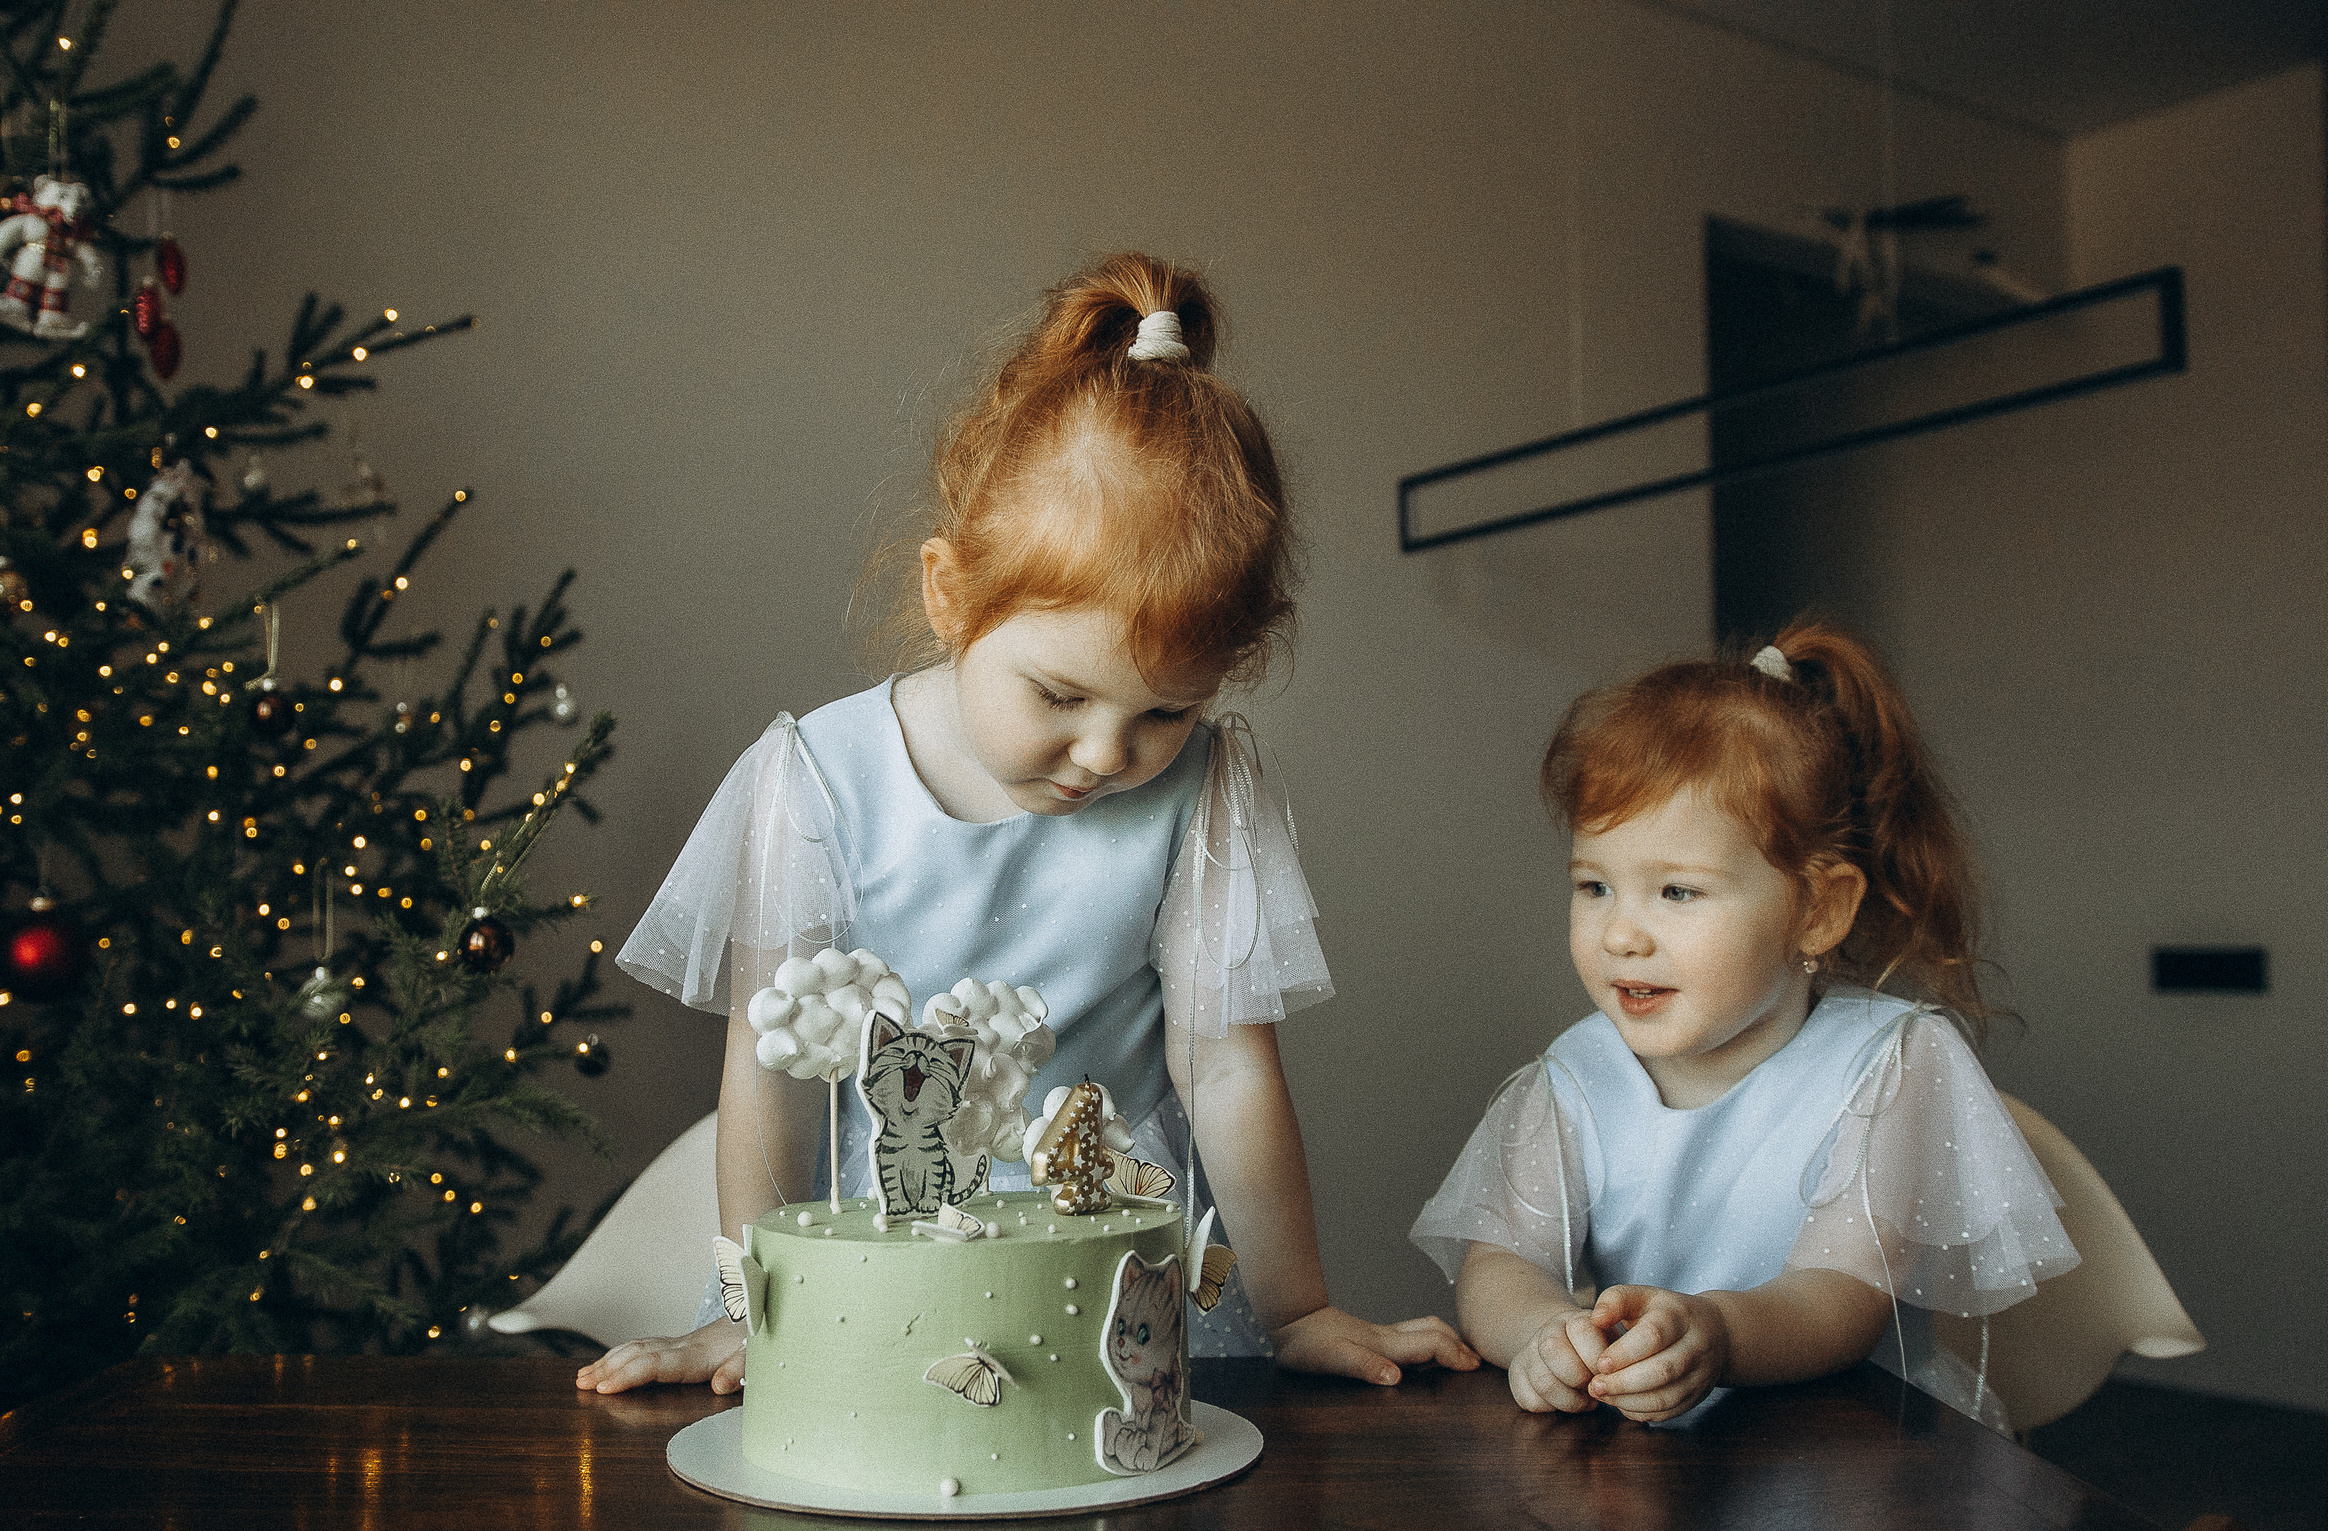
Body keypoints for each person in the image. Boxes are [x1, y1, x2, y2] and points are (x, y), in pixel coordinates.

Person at [587, 252, 1477, 1397]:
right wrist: (754, 1299)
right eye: (1059, 696)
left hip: (1113, 1243)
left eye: (1167, 710)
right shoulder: (811, 779)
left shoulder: (1204, 792)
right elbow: (767, 1077)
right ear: (949, 597)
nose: (1109, 756)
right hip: (887, 1240)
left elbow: (1225, 1071)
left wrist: (1296, 1305)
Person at [1412, 624, 2077, 1428]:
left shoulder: (1890, 1064)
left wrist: (1718, 1332)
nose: (1622, 933)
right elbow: (1499, 1260)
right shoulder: (1574, 1075)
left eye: (1678, 892)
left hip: (1848, 1466)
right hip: (1650, 1465)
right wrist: (1541, 1332)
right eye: (1594, 886)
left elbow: (1842, 1296)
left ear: (1819, 909)